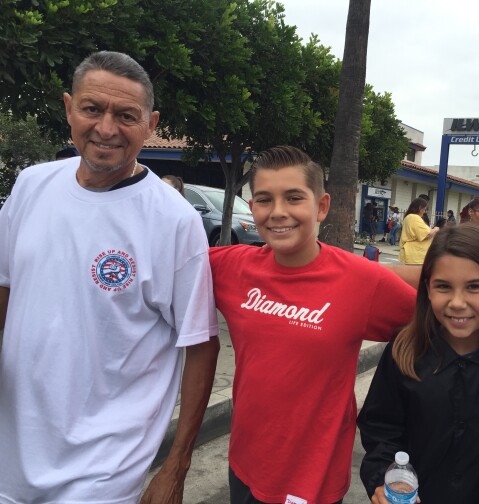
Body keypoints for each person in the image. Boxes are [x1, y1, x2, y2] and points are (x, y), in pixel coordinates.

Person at [0, 51, 220, 503]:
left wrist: (177, 466)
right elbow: (5, 288)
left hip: (104, 472)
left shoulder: (174, 221)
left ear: (151, 123)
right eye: (91, 109)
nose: (106, 128)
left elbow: (200, 344)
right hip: (12, 456)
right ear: (68, 107)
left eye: (126, 115)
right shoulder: (30, 185)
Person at [209, 145, 417, 504]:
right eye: (263, 199)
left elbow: (436, 323)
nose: (277, 213)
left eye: (293, 198)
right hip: (244, 464)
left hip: (312, 480)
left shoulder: (362, 282)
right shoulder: (231, 266)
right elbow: (162, 258)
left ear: (321, 206)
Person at [358, 225, 479, 504]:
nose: (457, 303)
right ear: (428, 288)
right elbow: (381, 429)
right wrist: (382, 480)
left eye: (474, 287)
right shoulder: (404, 349)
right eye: (443, 286)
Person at [399, 197, 439, 265]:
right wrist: (436, 229)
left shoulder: (409, 217)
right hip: (416, 256)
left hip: (414, 254)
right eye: (424, 209)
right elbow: (427, 234)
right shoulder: (414, 217)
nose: (424, 211)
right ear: (420, 208)